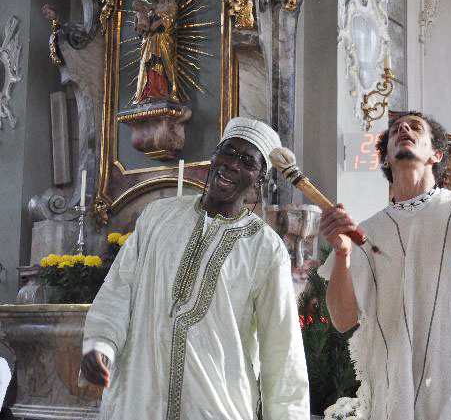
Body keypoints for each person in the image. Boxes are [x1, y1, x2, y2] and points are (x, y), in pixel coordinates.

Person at [80, 117, 309, 419]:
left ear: (259, 178)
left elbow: (282, 348)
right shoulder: (157, 217)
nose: (232, 164)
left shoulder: (265, 248)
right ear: (214, 155)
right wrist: (101, 344)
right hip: (139, 397)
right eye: (228, 151)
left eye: (247, 161)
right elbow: (119, 290)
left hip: (215, 404)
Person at [318, 111, 451, 419]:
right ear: (386, 158)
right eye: (395, 130)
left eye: (415, 127)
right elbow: (342, 320)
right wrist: (342, 254)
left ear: (437, 154)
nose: (403, 128)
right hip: (394, 398)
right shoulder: (368, 232)